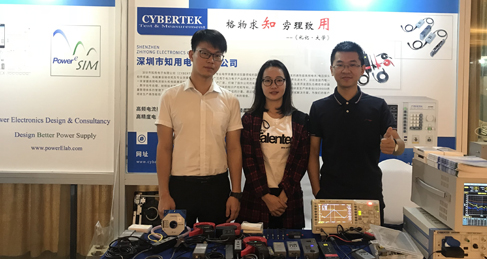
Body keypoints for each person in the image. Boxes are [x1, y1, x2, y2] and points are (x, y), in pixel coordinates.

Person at [307, 41, 405, 224]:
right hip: (330, 194)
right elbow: (312, 152)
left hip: (369, 194)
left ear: (362, 69)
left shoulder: (377, 106)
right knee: (330, 242)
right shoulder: (319, 107)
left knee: (369, 242)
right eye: (340, 65)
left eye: (352, 64)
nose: (346, 70)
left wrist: (394, 146)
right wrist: (317, 191)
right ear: (332, 69)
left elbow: (399, 145)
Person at [155, 29, 243, 227]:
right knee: (177, 242)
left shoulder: (230, 100)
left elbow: (234, 148)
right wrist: (164, 194)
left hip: (217, 187)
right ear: (191, 54)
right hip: (180, 187)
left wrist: (236, 193)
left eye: (217, 55)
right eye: (204, 53)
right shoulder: (170, 97)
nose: (211, 60)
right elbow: (164, 147)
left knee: (217, 244)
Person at [237, 60, 310, 229]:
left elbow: (301, 161)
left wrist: (284, 195)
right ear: (260, 84)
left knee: (291, 244)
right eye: (268, 80)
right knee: (253, 243)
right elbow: (248, 161)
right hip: (257, 196)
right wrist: (266, 196)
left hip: (289, 198)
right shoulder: (249, 119)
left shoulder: (300, 120)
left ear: (286, 83)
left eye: (279, 80)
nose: (273, 85)